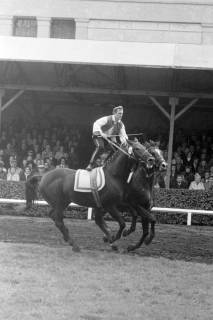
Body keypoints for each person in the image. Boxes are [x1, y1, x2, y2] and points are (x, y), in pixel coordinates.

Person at [86, 105, 128, 171]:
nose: (121, 115)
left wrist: (125, 142)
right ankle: (91, 164)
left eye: (122, 114)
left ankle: (105, 163)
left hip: (108, 139)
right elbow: (96, 123)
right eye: (119, 113)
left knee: (117, 149)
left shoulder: (121, 124)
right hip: (99, 136)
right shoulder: (107, 119)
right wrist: (102, 134)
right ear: (114, 113)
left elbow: (123, 135)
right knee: (100, 147)